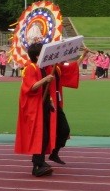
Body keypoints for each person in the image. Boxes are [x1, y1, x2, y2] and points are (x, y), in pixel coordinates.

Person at [14, 42, 56, 177]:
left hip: (43, 104)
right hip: (34, 106)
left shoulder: (41, 67)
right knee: (40, 135)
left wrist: (49, 101)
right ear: (38, 56)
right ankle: (37, 165)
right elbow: (31, 87)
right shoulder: (31, 68)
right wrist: (45, 80)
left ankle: (40, 162)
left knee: (45, 135)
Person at [45, 48, 86, 165]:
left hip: (57, 104)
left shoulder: (57, 67)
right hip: (48, 103)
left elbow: (72, 68)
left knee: (64, 130)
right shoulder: (47, 67)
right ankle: (39, 160)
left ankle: (54, 153)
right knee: (46, 131)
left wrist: (83, 56)